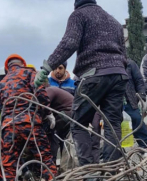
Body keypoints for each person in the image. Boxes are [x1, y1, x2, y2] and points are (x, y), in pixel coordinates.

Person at [36, 0, 128, 165]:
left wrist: (46, 67)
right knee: (113, 124)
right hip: (118, 74)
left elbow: (69, 43)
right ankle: (110, 173)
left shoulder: (79, 15)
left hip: (94, 75)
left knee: (78, 124)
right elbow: (124, 52)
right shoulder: (114, 21)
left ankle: (89, 174)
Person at [0, 54, 57, 181]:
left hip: (8, 127)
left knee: (9, 164)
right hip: (29, 123)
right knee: (44, 157)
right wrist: (48, 113)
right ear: (22, 63)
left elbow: (2, 109)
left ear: (7, 67)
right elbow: (40, 94)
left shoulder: (1, 83)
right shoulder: (30, 73)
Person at [123, 59, 147, 149]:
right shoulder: (107, 64)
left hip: (129, 100)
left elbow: (139, 81)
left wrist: (141, 96)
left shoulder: (130, 64)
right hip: (114, 103)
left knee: (137, 121)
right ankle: (117, 153)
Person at [45, 86, 74, 163]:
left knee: (53, 135)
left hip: (66, 113)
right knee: (62, 140)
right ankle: (63, 163)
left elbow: (44, 104)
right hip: (72, 114)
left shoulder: (49, 90)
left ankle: (53, 162)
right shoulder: (53, 89)